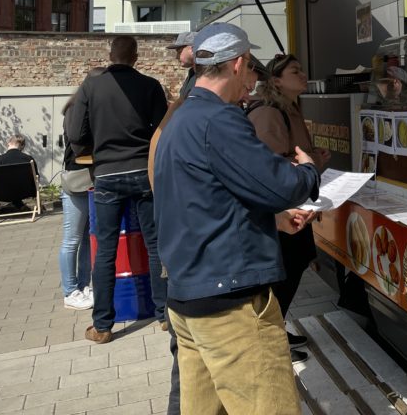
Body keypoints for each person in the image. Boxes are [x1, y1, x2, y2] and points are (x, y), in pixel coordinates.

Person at [154, 23, 320, 415]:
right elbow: (283, 185)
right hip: (230, 304)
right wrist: (308, 172)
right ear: (238, 64)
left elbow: (204, 199)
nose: (252, 85)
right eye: (251, 74)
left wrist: (273, 221)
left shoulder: (179, 121)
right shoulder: (220, 121)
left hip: (189, 298)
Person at [66, 35, 168, 344]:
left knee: (106, 251)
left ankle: (103, 325)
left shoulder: (90, 87)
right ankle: (164, 314)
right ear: (136, 56)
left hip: (107, 174)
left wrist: (94, 151)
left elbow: (75, 133)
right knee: (155, 246)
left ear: (110, 54)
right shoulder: (151, 86)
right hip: (143, 173)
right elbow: (162, 131)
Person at [247, 53, 330, 361]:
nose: (303, 74)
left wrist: (314, 160)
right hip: (281, 210)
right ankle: (268, 343)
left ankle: (275, 330)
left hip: (294, 203)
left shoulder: (289, 107)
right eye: (295, 71)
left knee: (295, 264)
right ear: (277, 80)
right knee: (283, 272)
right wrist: (306, 165)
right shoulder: (268, 112)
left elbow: (292, 155)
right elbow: (268, 166)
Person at [59, 67, 105, 311]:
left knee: (87, 238)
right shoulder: (75, 109)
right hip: (77, 178)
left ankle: (84, 284)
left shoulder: (87, 106)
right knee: (72, 239)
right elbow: (79, 145)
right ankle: (69, 291)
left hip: (90, 178)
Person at [167, 31, 197, 99]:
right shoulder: (192, 73)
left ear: (192, 49)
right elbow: (181, 101)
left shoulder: (207, 74)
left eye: (179, 52)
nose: (176, 57)